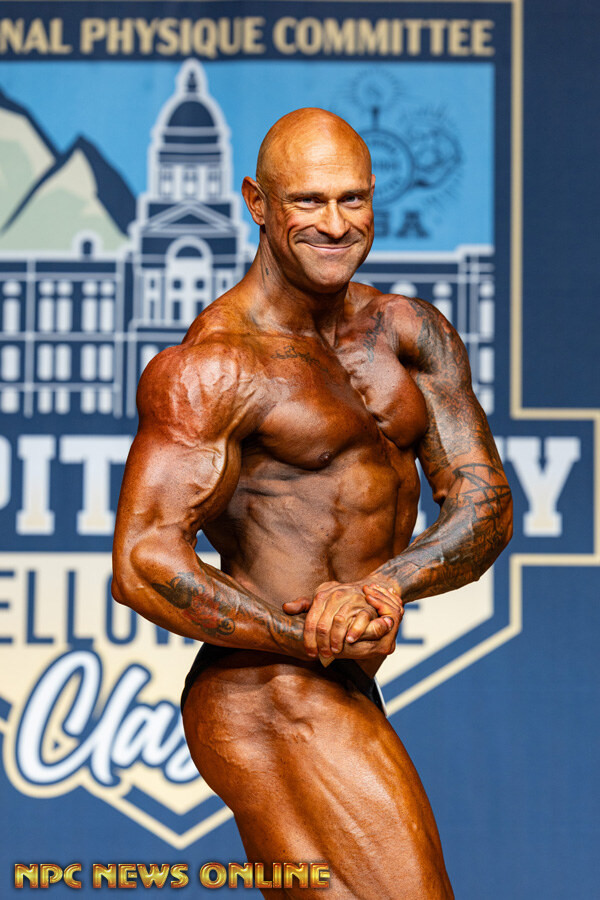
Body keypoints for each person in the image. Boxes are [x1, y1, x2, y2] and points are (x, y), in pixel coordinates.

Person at [112, 108, 512, 899]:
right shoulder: (216, 366)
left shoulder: (408, 331)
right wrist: (306, 636)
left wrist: (383, 585)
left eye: (352, 199)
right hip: (268, 693)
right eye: (308, 202)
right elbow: (143, 563)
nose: (335, 224)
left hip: (339, 683)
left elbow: (485, 503)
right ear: (257, 203)